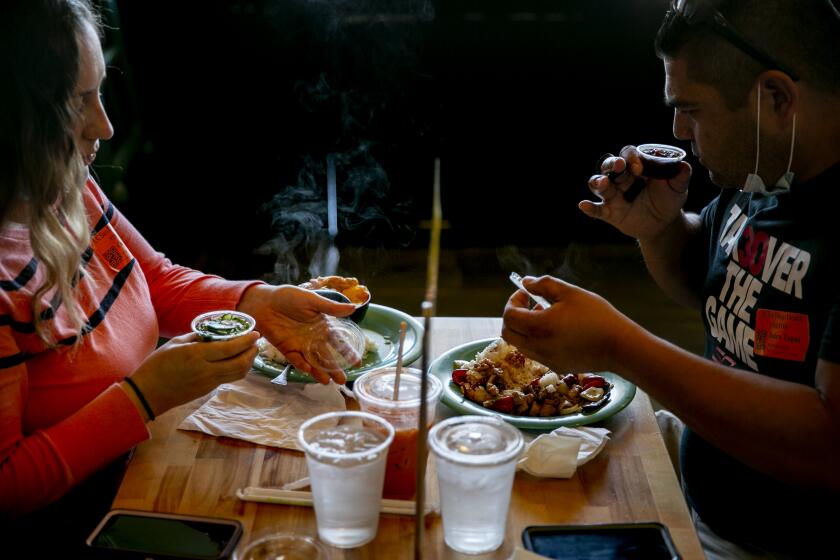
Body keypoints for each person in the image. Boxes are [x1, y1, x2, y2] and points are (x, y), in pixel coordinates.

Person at [0, 0, 357, 547]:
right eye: (78, 103)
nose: (107, 125)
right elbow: (8, 487)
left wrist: (257, 302)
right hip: (88, 522)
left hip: (147, 456)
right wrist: (143, 397)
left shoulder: (63, 184)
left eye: (101, 91)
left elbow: (155, 281)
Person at [503, 1, 840, 558]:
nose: (678, 131)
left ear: (776, 98)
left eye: (691, 109)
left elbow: (830, 446)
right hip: (698, 483)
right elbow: (716, 290)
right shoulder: (772, 166)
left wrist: (620, 345)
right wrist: (658, 230)